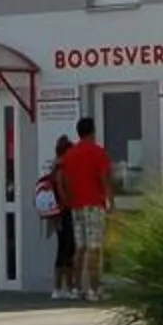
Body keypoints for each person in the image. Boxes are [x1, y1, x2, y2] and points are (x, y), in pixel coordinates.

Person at [61, 117, 114, 303]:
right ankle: (93, 289)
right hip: (94, 204)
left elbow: (65, 181)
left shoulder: (70, 155)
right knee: (94, 247)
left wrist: (70, 200)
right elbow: (105, 178)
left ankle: (76, 288)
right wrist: (110, 201)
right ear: (92, 131)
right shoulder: (98, 152)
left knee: (80, 247)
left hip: (76, 206)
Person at [37, 137, 76, 301]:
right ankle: (61, 287)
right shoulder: (61, 168)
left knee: (66, 248)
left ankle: (64, 286)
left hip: (58, 212)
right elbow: (62, 190)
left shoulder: (56, 167)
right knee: (66, 248)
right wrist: (69, 204)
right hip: (63, 212)